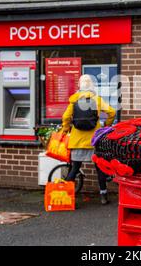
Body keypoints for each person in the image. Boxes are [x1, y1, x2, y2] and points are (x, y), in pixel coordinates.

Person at [61, 75, 116, 205]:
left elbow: (66, 117)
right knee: (99, 169)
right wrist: (105, 126)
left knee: (74, 169)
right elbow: (112, 112)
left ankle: (64, 197)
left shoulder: (74, 100)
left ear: (79, 85)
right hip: (94, 140)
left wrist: (66, 129)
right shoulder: (96, 99)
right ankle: (103, 196)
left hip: (77, 140)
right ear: (92, 86)